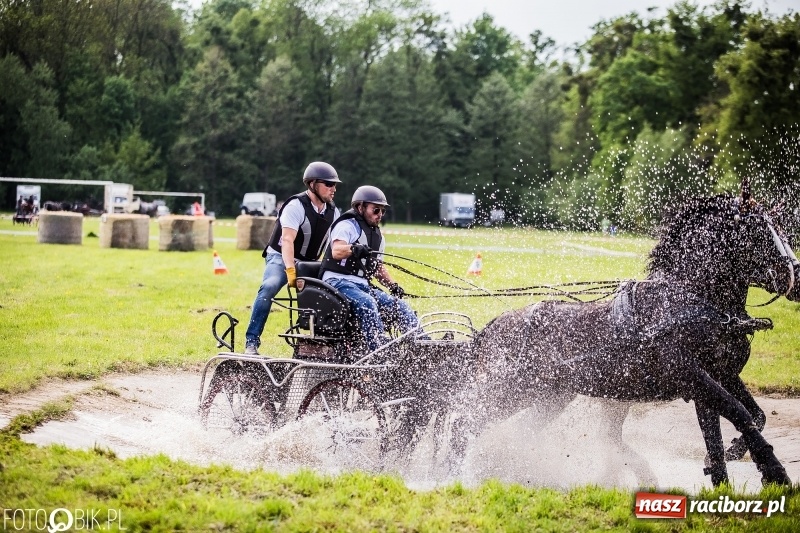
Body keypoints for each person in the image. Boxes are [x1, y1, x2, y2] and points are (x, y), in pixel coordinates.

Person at [244, 161, 342, 355]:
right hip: (281, 257)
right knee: (270, 286)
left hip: (310, 262)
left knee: (336, 292)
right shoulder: (296, 206)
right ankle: (251, 342)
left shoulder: (334, 212)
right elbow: (287, 241)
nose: (333, 189)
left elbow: (332, 248)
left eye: (335, 185)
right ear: (313, 184)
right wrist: (290, 271)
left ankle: (327, 345)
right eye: (328, 184)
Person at [319, 185, 419, 353]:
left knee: (400, 306)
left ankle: (423, 346)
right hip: (337, 282)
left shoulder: (378, 237)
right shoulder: (347, 226)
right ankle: (379, 352)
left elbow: (378, 267)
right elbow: (336, 251)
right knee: (368, 303)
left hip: (362, 286)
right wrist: (354, 248)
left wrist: (392, 285)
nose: (380, 215)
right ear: (360, 207)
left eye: (382, 211)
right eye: (376, 210)